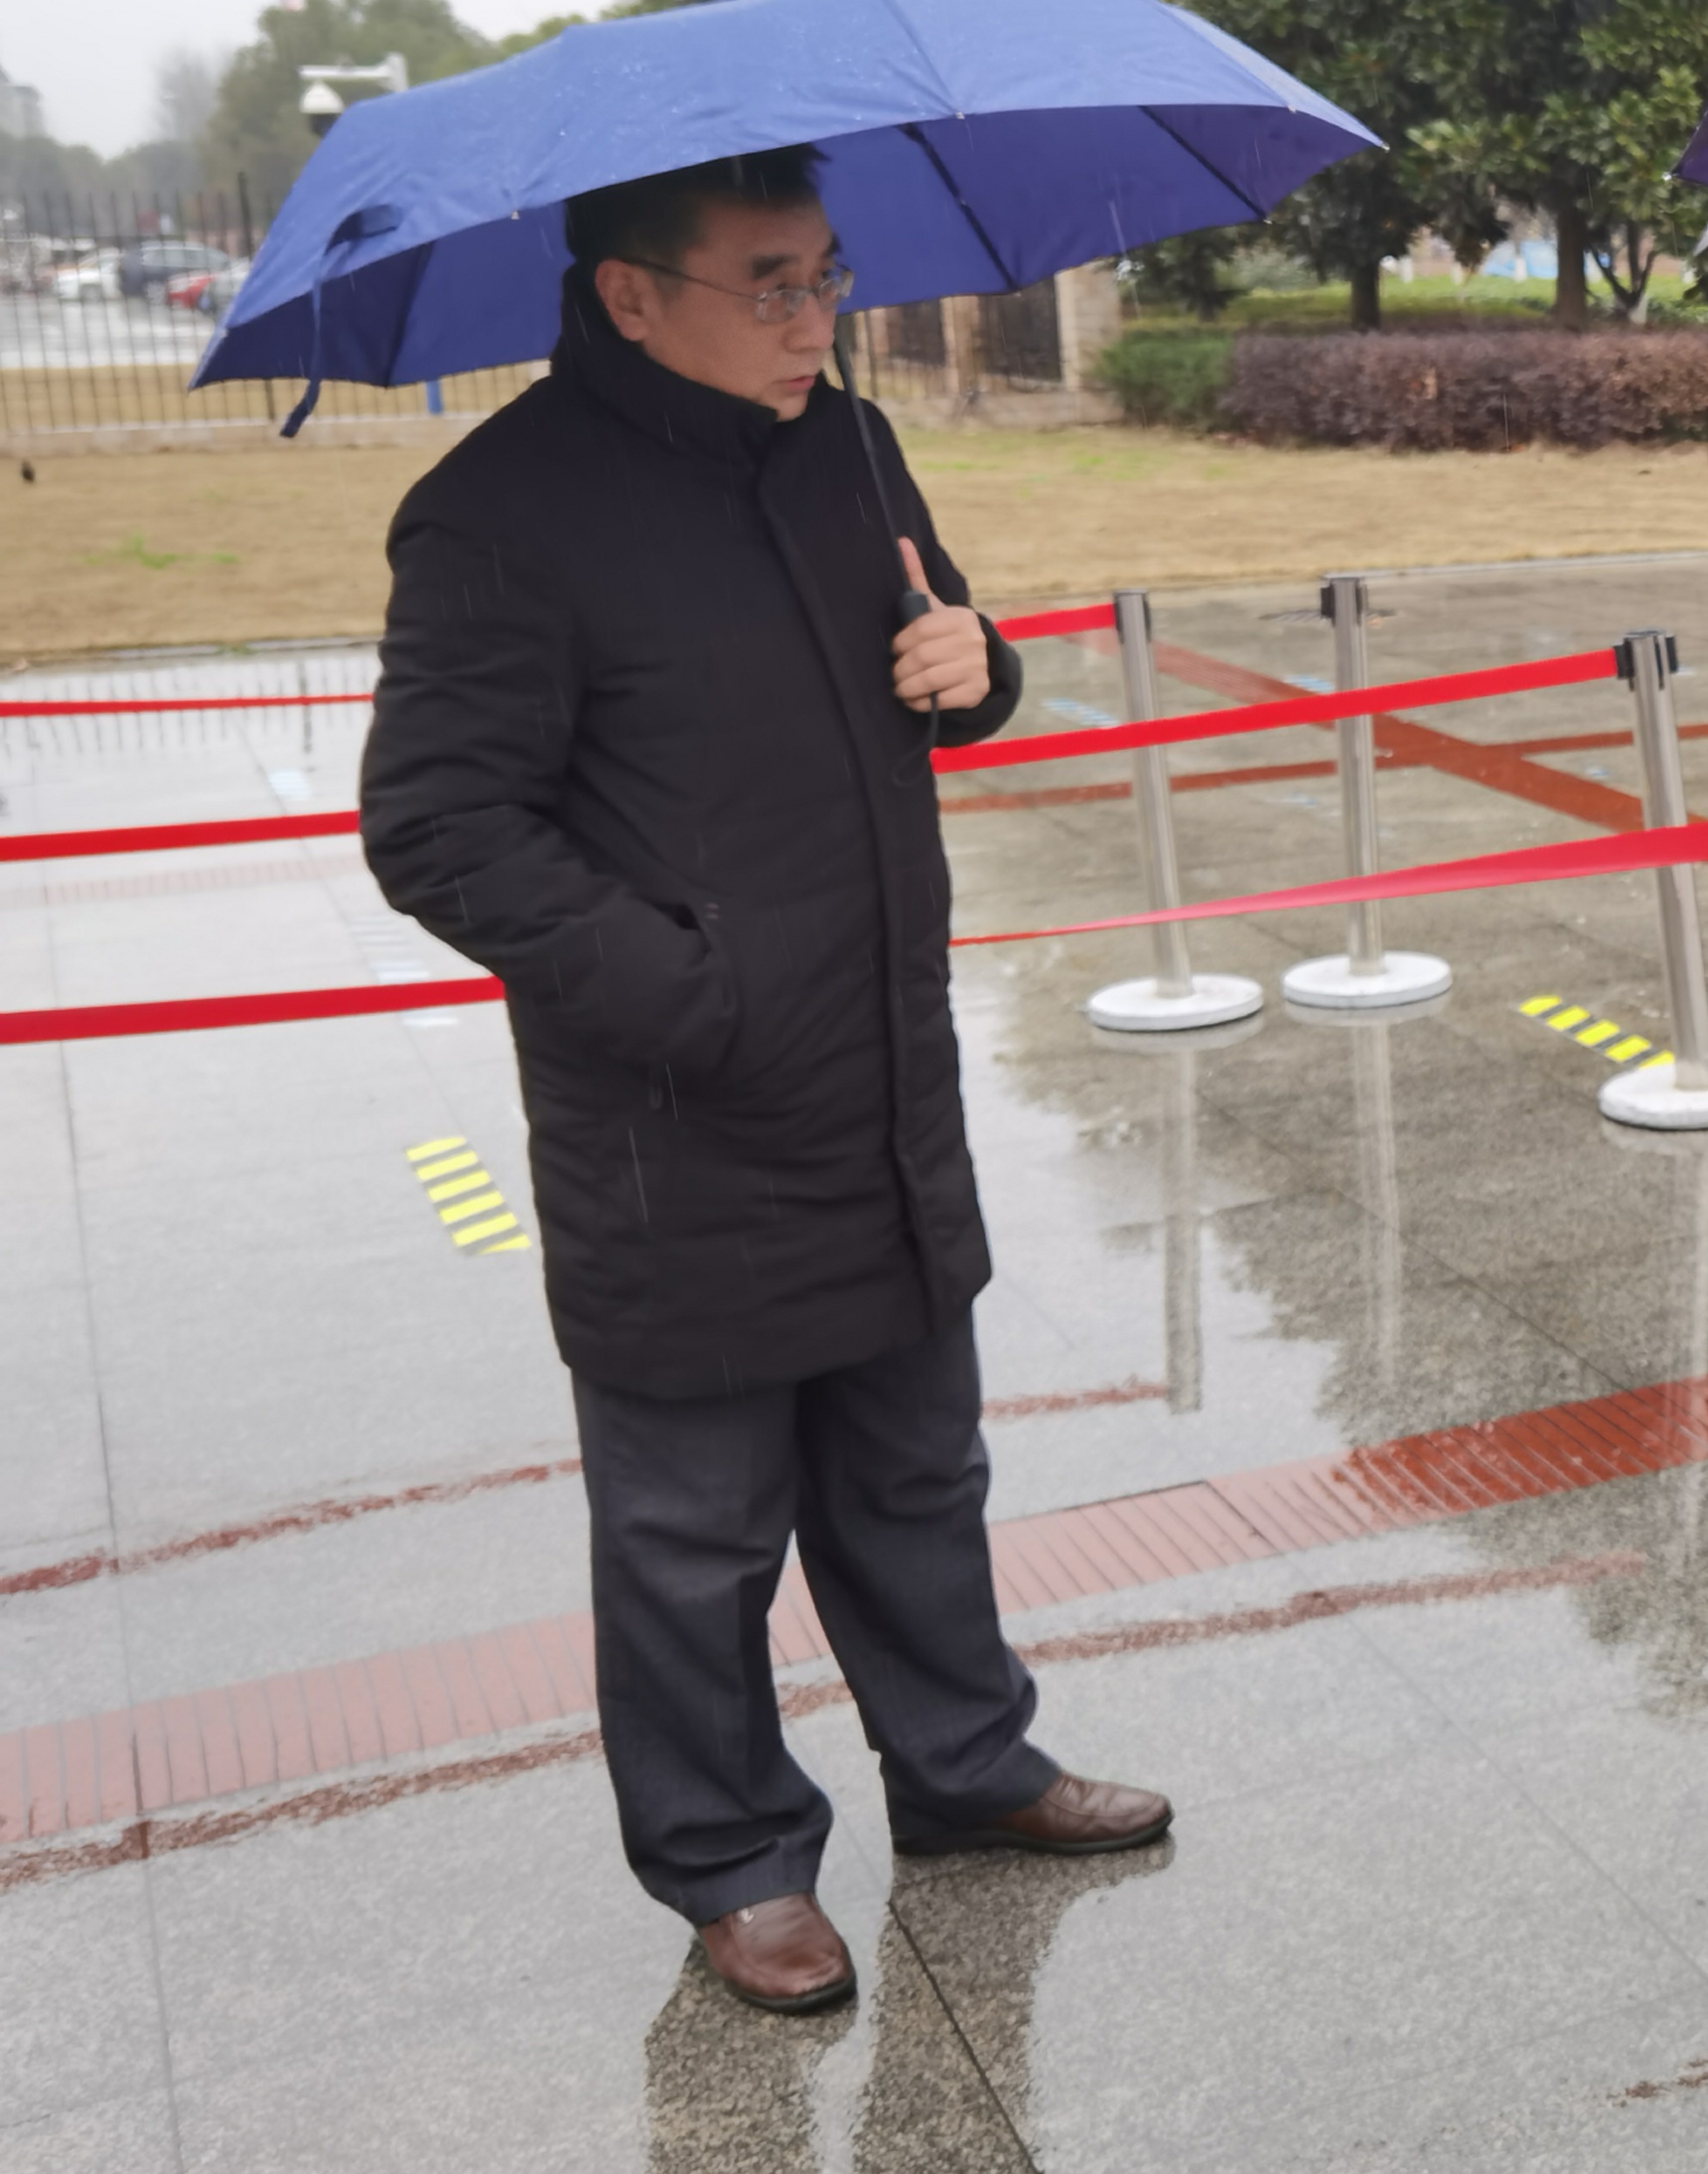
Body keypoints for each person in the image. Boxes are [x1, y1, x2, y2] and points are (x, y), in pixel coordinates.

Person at [362, 149, 1170, 2018]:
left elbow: (941, 655)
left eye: (828, 277)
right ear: (631, 295)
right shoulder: (498, 514)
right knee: (692, 1531)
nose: (816, 320)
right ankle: (732, 1857)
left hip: (880, 1072)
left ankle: (965, 1764)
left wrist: (980, 666)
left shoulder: (848, 448)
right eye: (771, 285)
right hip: (683, 1109)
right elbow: (437, 825)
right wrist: (687, 992)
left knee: (916, 1468)